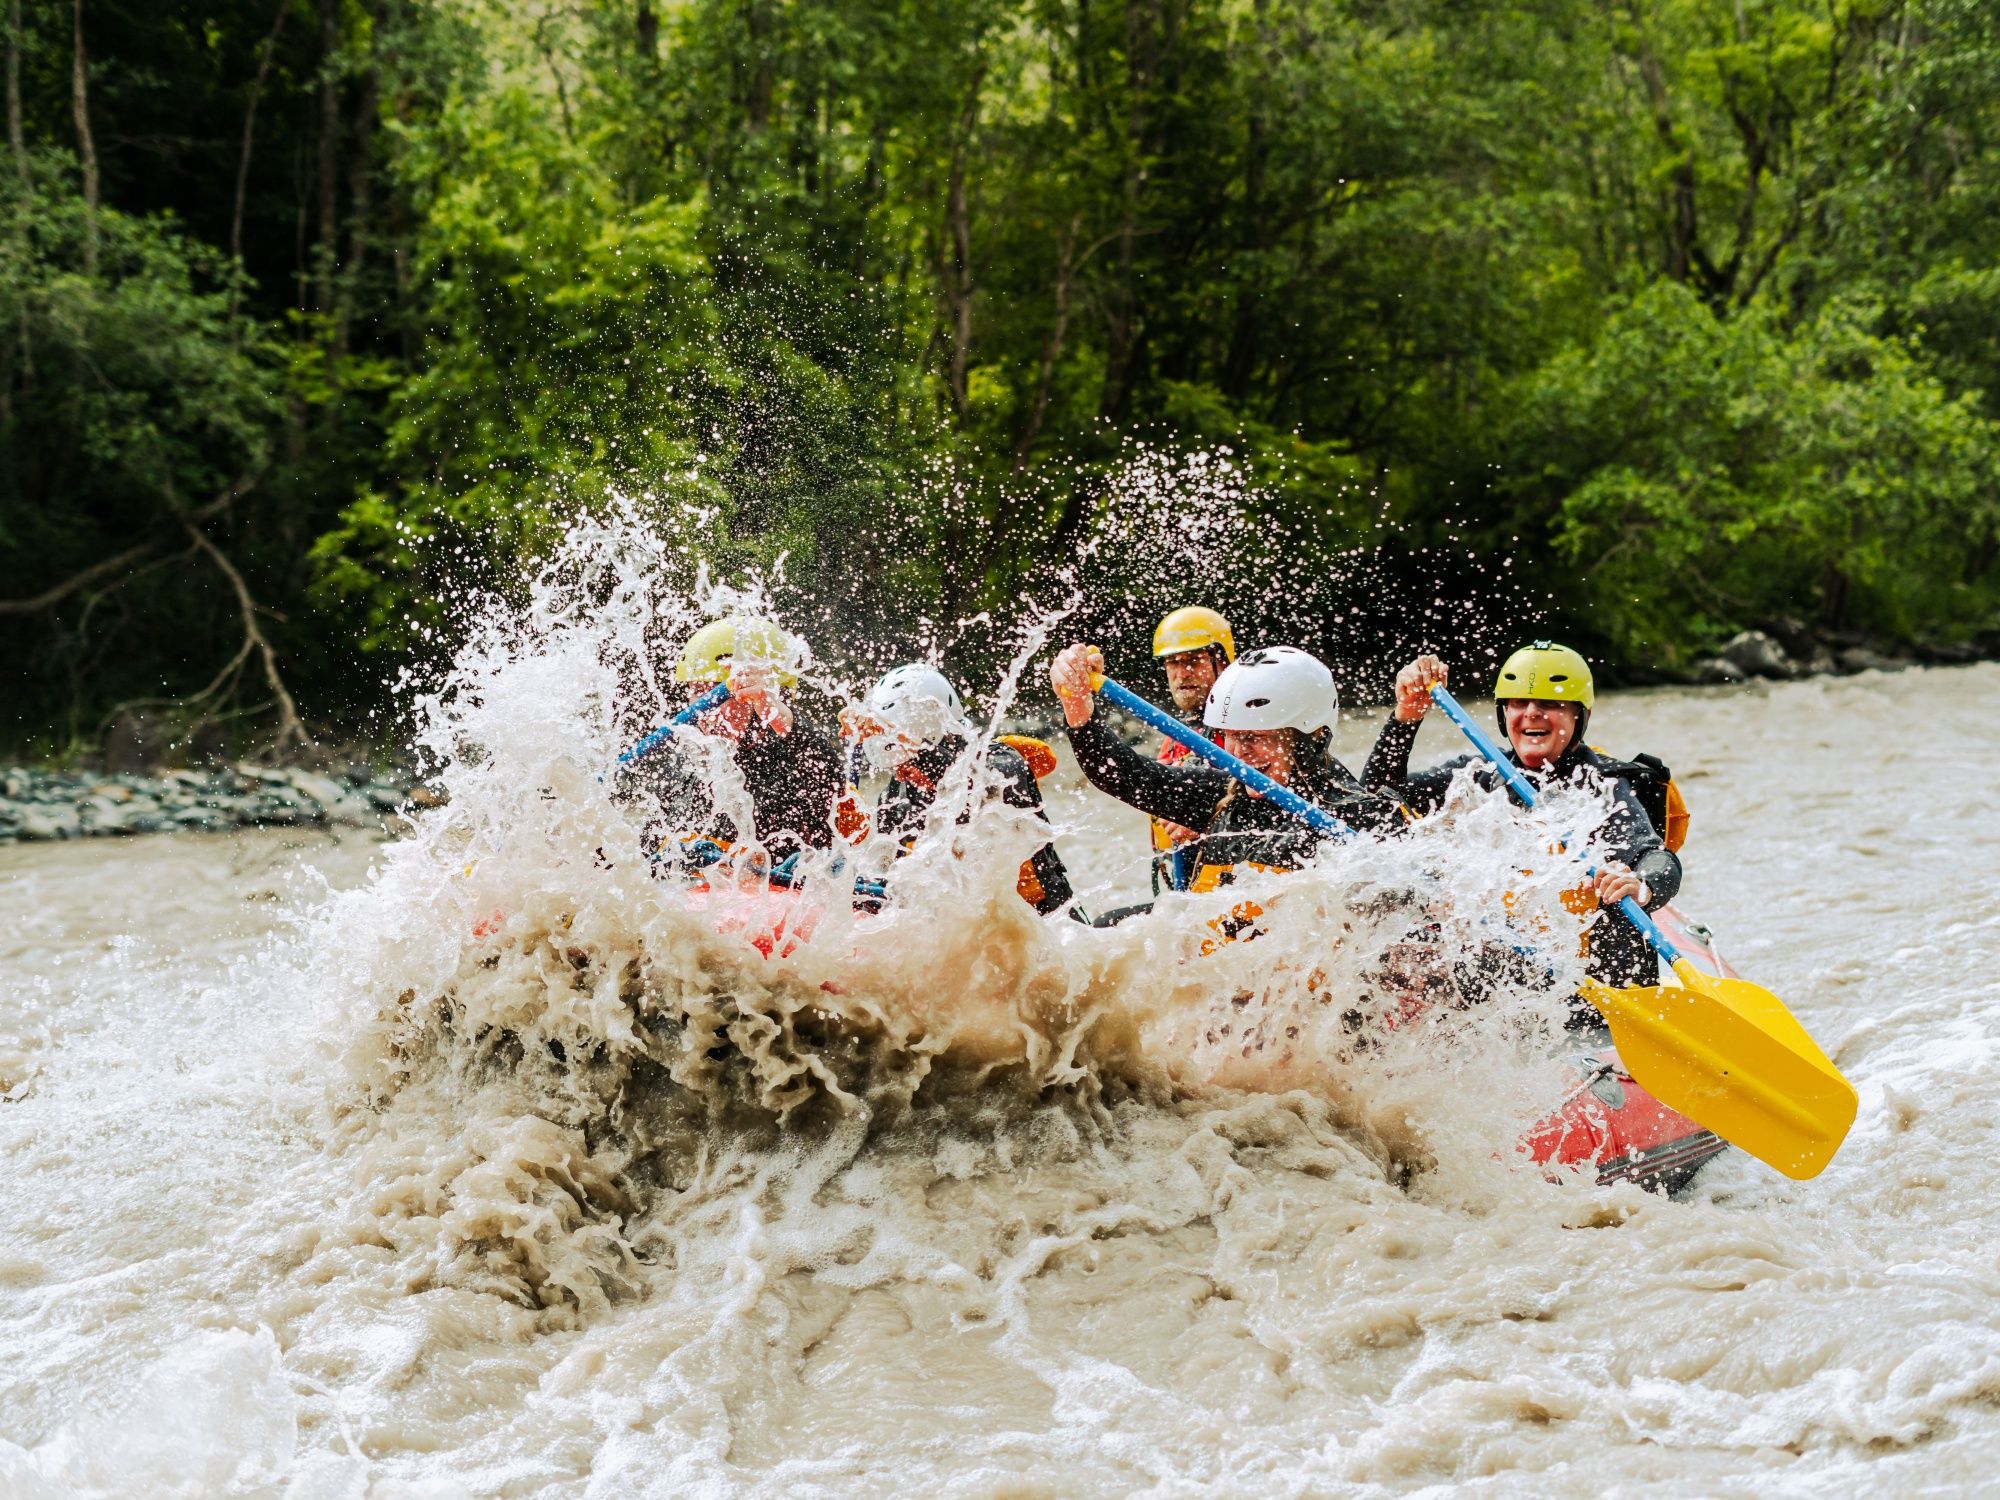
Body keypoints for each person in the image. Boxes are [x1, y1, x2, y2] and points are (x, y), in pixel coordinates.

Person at [1361, 641, 1681, 998]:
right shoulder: (1479, 774)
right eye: (1519, 703)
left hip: (1592, 991)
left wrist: (1640, 885)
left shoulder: (1603, 786)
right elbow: (1374, 805)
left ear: (1579, 716)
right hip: (1514, 979)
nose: (1531, 713)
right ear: (1503, 714)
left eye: (1550, 704)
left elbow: (1658, 859)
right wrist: (1406, 717)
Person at [1048, 641, 1404, 898]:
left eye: (1253, 736)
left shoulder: (1364, 816)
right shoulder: (1223, 795)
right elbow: (1122, 774)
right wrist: (1077, 706)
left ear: (1311, 735)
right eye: (1230, 736)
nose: (1238, 753)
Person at [847, 664, 1074, 916]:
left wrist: (910, 745)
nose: (900, 774)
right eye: (894, 765)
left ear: (937, 739)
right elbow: (889, 879)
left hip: (1044, 915)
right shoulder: (895, 797)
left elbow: (970, 791)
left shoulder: (1001, 763)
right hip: (956, 931)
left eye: (909, 762)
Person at [632, 615, 854, 865]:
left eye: (716, 694)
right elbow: (641, 855)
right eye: (697, 693)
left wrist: (781, 718)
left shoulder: (796, 763)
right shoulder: (692, 772)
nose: (706, 710)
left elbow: (829, 777)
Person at [1148, 606, 1234, 892]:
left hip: (1239, 889)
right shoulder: (1176, 736)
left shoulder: (1247, 728)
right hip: (1191, 889)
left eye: (1194, 660)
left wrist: (1204, 820)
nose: (1182, 673)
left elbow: (1265, 805)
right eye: (1173, 662)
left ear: (1223, 662)